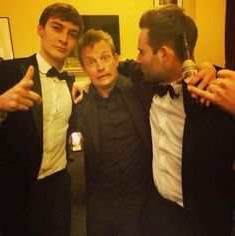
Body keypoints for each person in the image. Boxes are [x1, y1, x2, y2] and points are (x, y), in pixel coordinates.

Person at [119, 5, 234, 236]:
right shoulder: (146, 82)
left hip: (203, 223)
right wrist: (83, 83)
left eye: (142, 51)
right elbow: (120, 66)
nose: (138, 59)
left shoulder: (216, 101)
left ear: (163, 54)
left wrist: (213, 69)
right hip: (157, 213)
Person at [0, 3, 83, 236]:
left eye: (72, 34)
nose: (64, 38)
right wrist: (0, 104)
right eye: (57, 28)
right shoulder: (8, 72)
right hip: (17, 189)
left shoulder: (68, 82)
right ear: (40, 29)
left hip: (58, 188)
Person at [72, 29, 154, 236]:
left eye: (105, 58)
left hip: (140, 196)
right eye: (91, 62)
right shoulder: (78, 104)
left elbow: (173, 69)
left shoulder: (139, 87)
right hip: (101, 200)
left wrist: (207, 68)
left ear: (116, 59)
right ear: (83, 68)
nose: (100, 67)